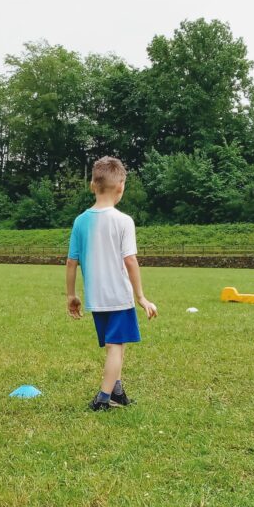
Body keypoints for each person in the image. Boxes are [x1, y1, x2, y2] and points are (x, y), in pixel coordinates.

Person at [65, 156, 158, 411]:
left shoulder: (80, 221)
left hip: (97, 298)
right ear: (121, 187)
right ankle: (103, 399)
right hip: (119, 295)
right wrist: (141, 297)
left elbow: (71, 262)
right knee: (116, 347)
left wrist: (71, 295)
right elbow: (130, 261)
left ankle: (117, 391)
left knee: (116, 343)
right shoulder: (124, 221)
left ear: (92, 185)